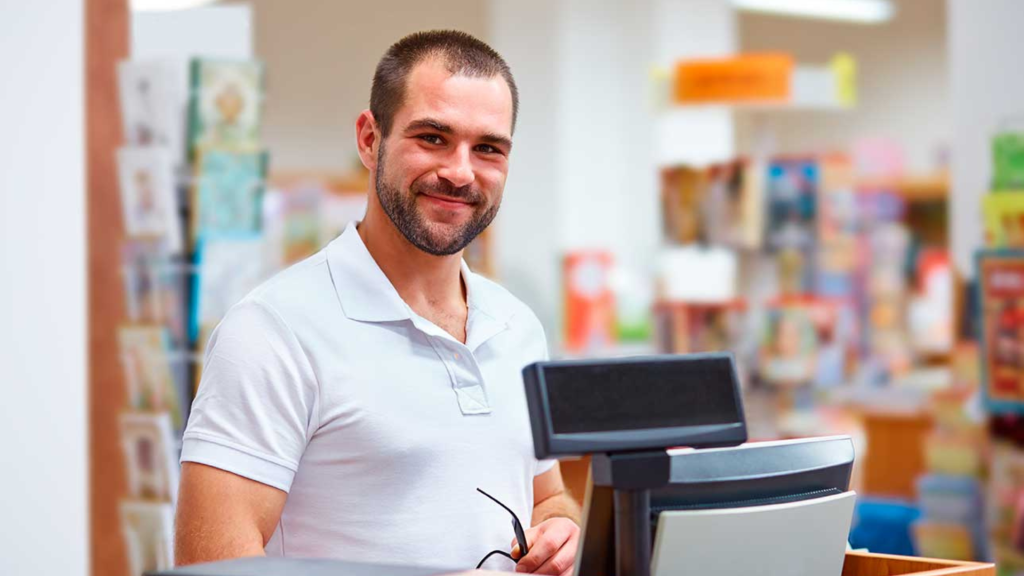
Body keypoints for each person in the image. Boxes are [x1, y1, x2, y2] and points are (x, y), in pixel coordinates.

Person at [174, 30, 581, 575]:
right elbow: (212, 567)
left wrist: (561, 529)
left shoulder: (517, 327)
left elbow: (547, 496)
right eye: (433, 137)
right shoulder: (271, 331)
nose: (461, 172)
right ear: (370, 139)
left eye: (487, 148)